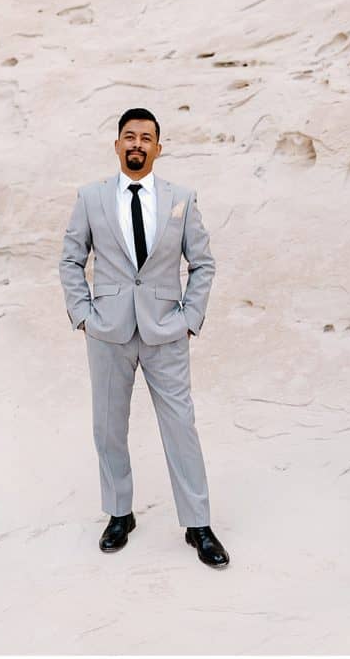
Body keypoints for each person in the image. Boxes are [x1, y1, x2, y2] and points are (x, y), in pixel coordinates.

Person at [59, 107, 229, 569]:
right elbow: (71, 259)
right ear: (117, 144)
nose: (137, 144)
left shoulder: (182, 198)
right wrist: (83, 315)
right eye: (129, 136)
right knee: (109, 427)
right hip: (108, 332)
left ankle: (198, 524)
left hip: (165, 331)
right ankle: (119, 513)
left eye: (146, 137)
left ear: (158, 146)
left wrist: (190, 317)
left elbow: (203, 263)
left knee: (181, 426)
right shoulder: (91, 198)